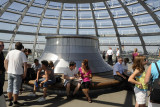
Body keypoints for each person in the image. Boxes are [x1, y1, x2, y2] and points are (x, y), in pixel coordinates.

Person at [4, 42, 27, 106]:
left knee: (9, 87)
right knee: (16, 88)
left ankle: (9, 101)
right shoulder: (22, 54)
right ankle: (15, 102)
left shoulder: (10, 52)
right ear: (21, 47)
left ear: (15, 46)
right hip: (18, 73)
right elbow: (25, 65)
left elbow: (5, 61)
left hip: (10, 73)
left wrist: (7, 69)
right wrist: (25, 73)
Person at [0, 41, 6, 107]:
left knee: (1, 85)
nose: (2, 46)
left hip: (2, 73)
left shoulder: (2, 53)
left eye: (3, 45)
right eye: (1, 45)